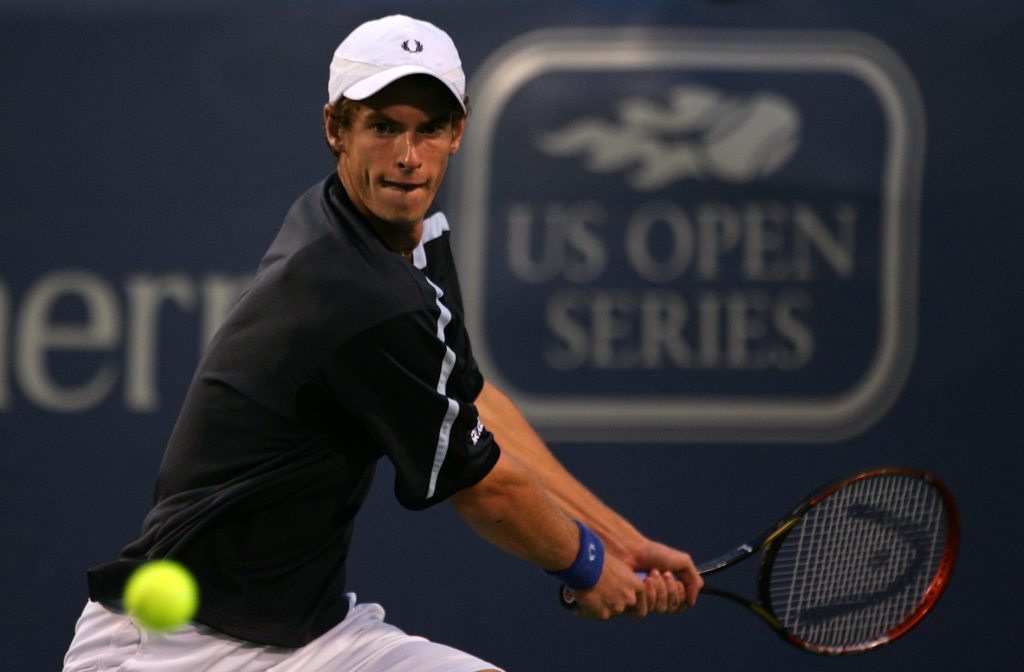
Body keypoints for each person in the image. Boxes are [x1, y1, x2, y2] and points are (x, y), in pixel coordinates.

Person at [63, 14, 702, 672]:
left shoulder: (393, 236)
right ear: (336, 129)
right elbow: (486, 490)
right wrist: (588, 564)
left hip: (307, 634)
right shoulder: (354, 291)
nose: (408, 155)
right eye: (384, 127)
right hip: (178, 648)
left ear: (458, 133)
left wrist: (621, 542)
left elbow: (473, 402)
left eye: (428, 129)